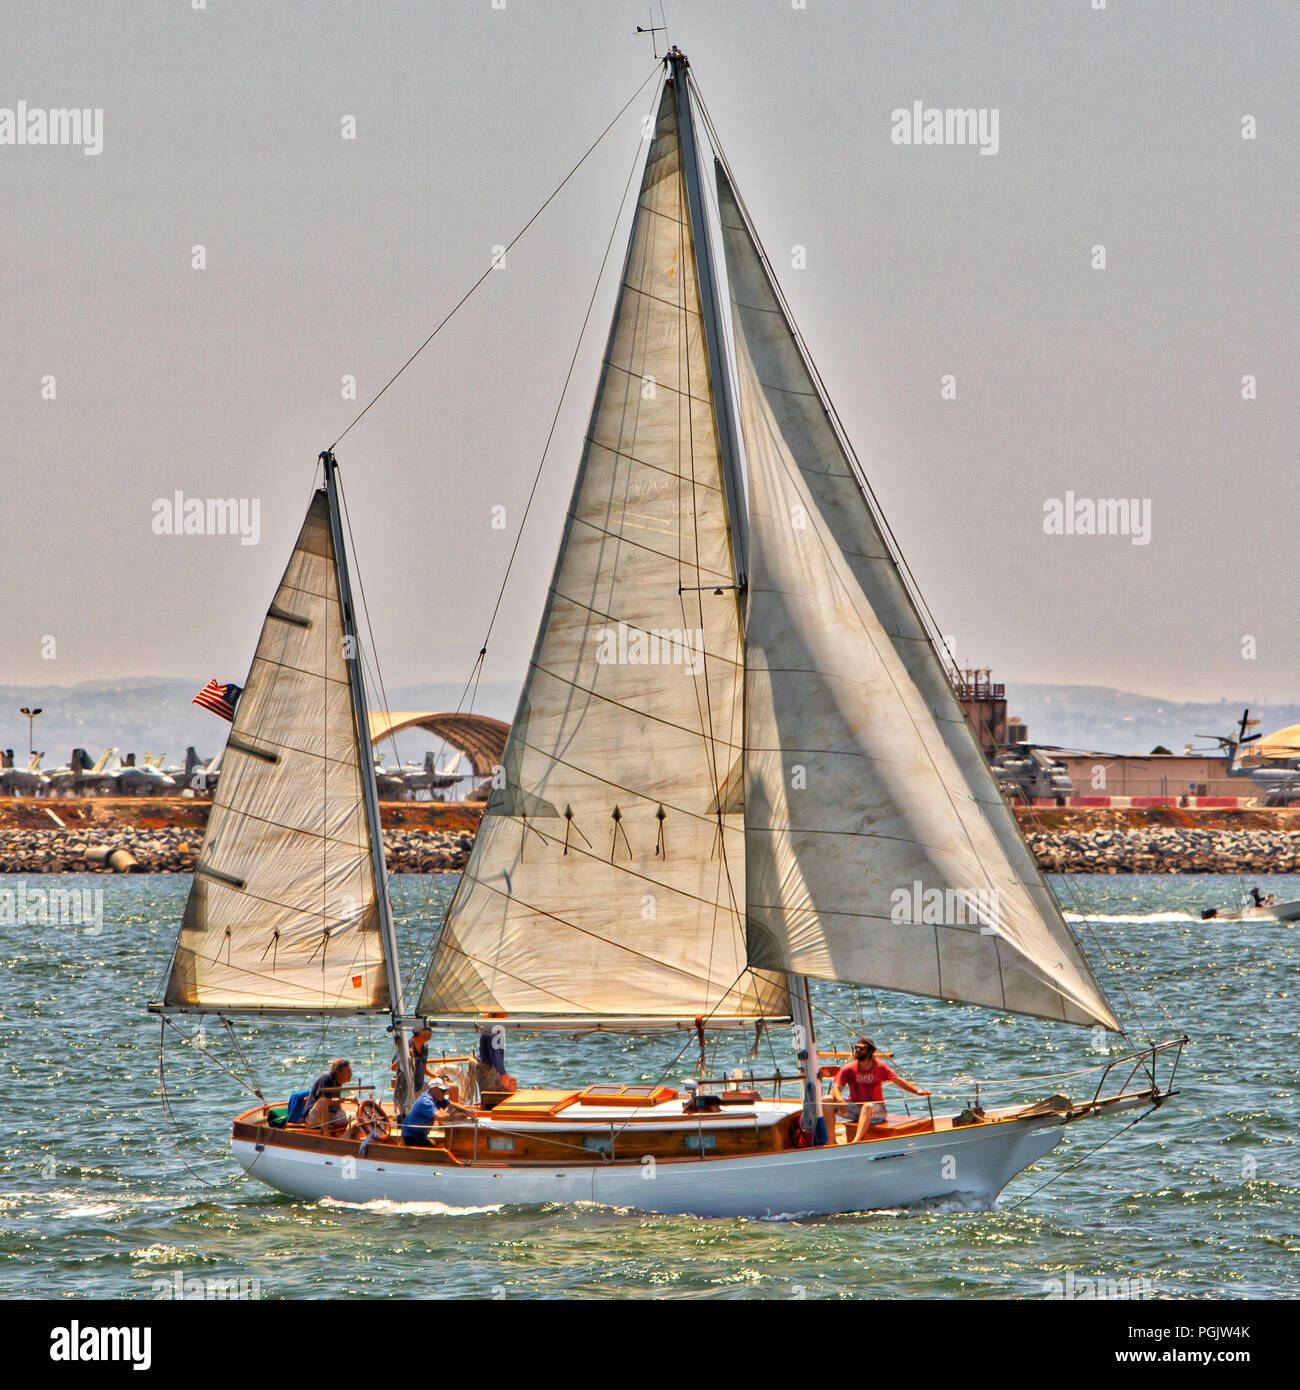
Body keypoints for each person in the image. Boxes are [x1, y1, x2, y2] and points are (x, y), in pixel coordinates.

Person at [829, 1039, 929, 1142]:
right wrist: (840, 1100)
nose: (857, 1050)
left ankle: (856, 1142)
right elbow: (836, 1089)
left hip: (877, 1110)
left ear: (870, 1051)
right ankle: (831, 1141)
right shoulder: (849, 1067)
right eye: (856, 1047)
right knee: (827, 1100)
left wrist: (917, 1091)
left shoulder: (879, 1066)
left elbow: (898, 1080)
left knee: (867, 1106)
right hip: (856, 1108)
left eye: (861, 1048)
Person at [401, 1084, 468, 1147]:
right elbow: (440, 1117)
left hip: (421, 1135)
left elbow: (451, 1104)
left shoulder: (438, 1098)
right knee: (436, 1154)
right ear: (433, 1089)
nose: (444, 1093)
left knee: (435, 1145)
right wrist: (457, 1116)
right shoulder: (426, 1101)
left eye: (445, 1091)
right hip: (412, 1136)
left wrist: (467, 1111)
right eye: (442, 1091)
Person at [391, 1025, 433, 1120]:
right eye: (427, 1030)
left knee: (448, 1088)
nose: (430, 1032)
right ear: (419, 1032)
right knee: (408, 1119)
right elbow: (393, 1067)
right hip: (407, 1090)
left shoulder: (424, 1047)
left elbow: (424, 1067)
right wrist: (406, 1056)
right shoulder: (406, 1046)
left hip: (420, 1087)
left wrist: (437, 1076)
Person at [473, 1024, 518, 1109]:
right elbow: (496, 1053)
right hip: (487, 1068)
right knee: (490, 1099)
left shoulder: (493, 1026)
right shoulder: (494, 1029)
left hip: (491, 1067)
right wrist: (502, 1073)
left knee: (497, 1096)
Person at [304, 1058, 352, 1131]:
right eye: (349, 1071)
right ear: (339, 1072)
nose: (351, 1074)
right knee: (323, 1101)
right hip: (315, 1116)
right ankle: (326, 1133)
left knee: (357, 1116)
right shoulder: (326, 1078)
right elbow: (323, 1102)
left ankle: (346, 1136)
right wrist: (345, 1099)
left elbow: (336, 1103)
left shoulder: (338, 1082)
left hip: (330, 1115)